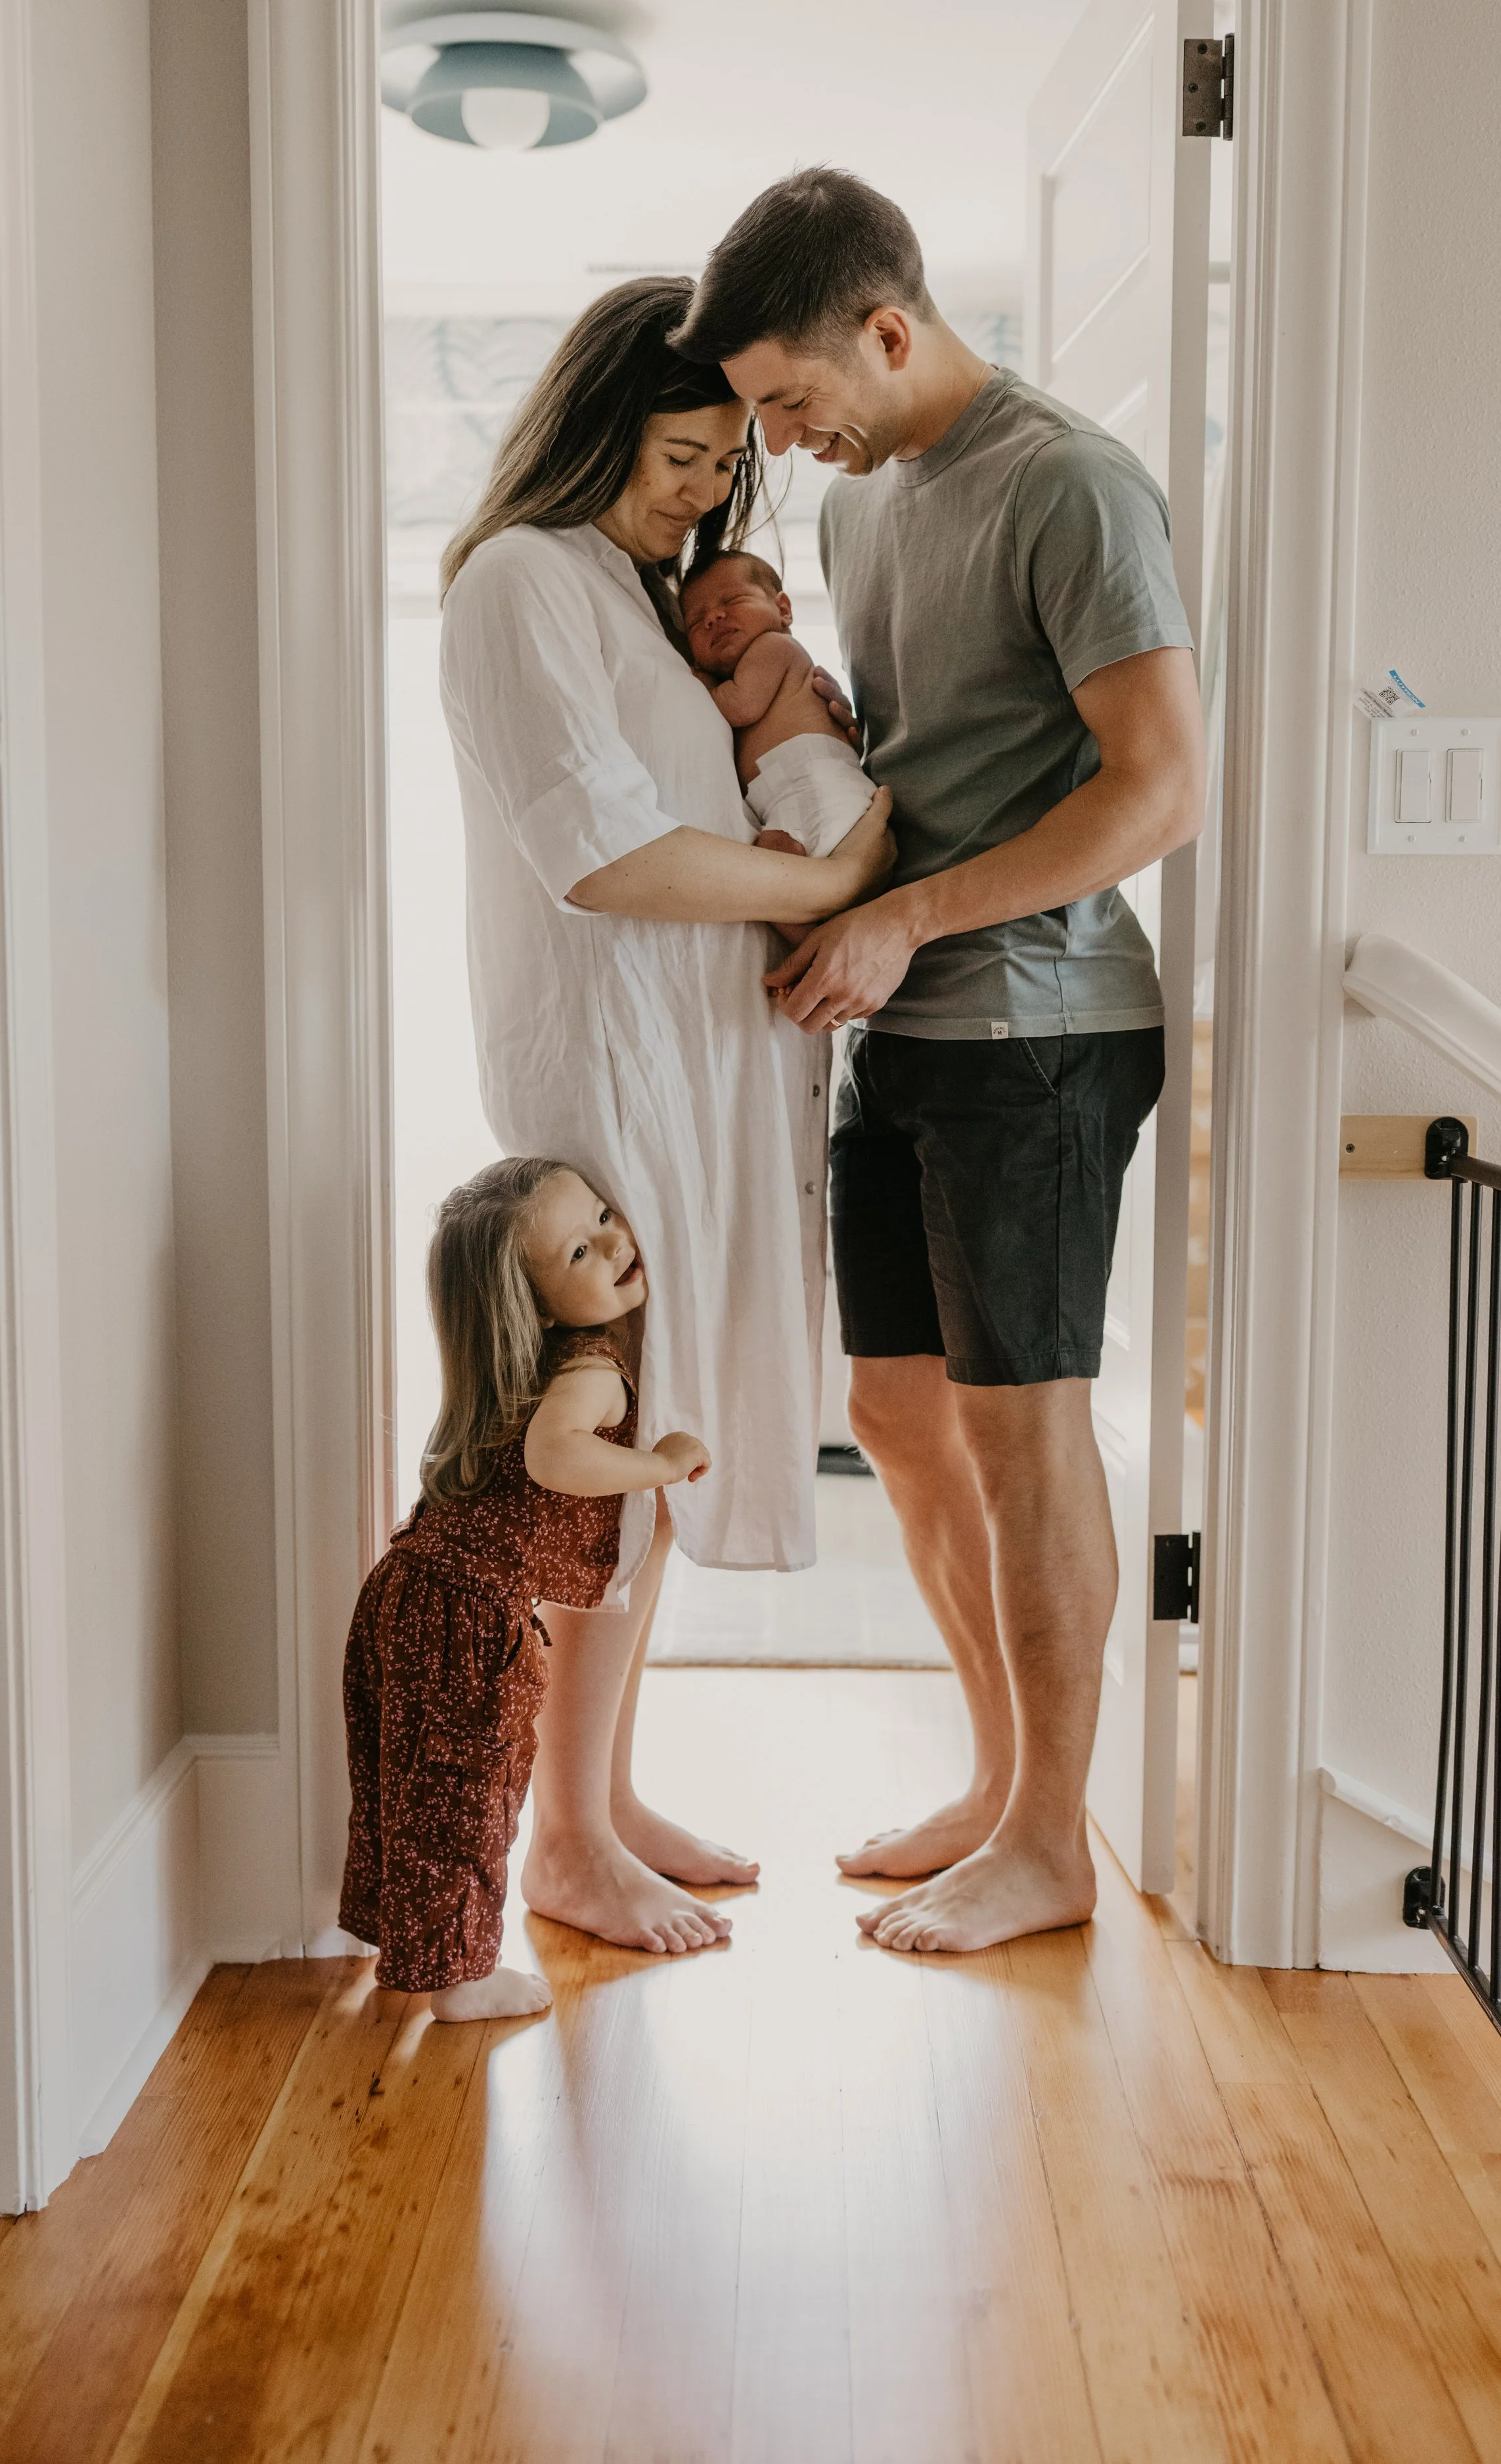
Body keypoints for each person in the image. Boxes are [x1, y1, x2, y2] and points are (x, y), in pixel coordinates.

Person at [673, 171, 1205, 1956]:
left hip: (1038, 1026)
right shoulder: (866, 504)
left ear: (886, 330)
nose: (779, 439)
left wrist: (908, 921)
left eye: (789, 400)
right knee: (896, 1411)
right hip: (900, 1022)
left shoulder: (1067, 483)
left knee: (1018, 1424)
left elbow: (1156, 787)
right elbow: (938, 749)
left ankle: (1053, 1837)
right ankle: (999, 1784)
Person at [439, 279, 893, 1956]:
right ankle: (562, 1836)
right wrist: (833, 872)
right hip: (607, 1080)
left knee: (665, 1433)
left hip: (701, 1078)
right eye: (681, 452)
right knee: (599, 1456)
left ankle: (608, 1795)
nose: (704, 490)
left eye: (724, 466)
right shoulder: (517, 582)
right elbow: (601, 857)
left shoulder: (640, 597)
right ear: (592, 421)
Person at [338, 1158, 715, 2017]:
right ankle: (460, 1977)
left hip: (405, 1587)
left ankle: (397, 1930)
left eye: (606, 1215)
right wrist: (655, 1463)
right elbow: (556, 1455)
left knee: (406, 1779)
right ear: (539, 1304)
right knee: (468, 1794)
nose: (618, 1241)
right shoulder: (591, 1368)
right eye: (582, 1249)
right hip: (465, 1611)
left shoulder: (526, 1361)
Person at [680, 549, 876, 856]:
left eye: (732, 602)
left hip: (817, 787)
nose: (713, 618)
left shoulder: (772, 645)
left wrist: (696, 683)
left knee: (775, 869)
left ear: (783, 609)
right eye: (695, 623)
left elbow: (740, 705)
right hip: (791, 795)